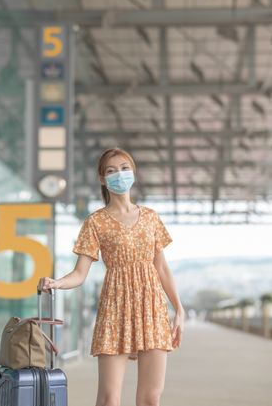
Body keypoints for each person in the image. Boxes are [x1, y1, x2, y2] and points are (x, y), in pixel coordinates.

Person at [38, 147, 185, 406]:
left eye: (125, 168)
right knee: (108, 399)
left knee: (151, 398)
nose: (120, 174)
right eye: (111, 171)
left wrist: (179, 310)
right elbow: (79, 273)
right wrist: (56, 282)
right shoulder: (95, 222)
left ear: (133, 173)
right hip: (115, 307)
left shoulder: (151, 217)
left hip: (151, 308)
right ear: (103, 179)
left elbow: (161, 267)